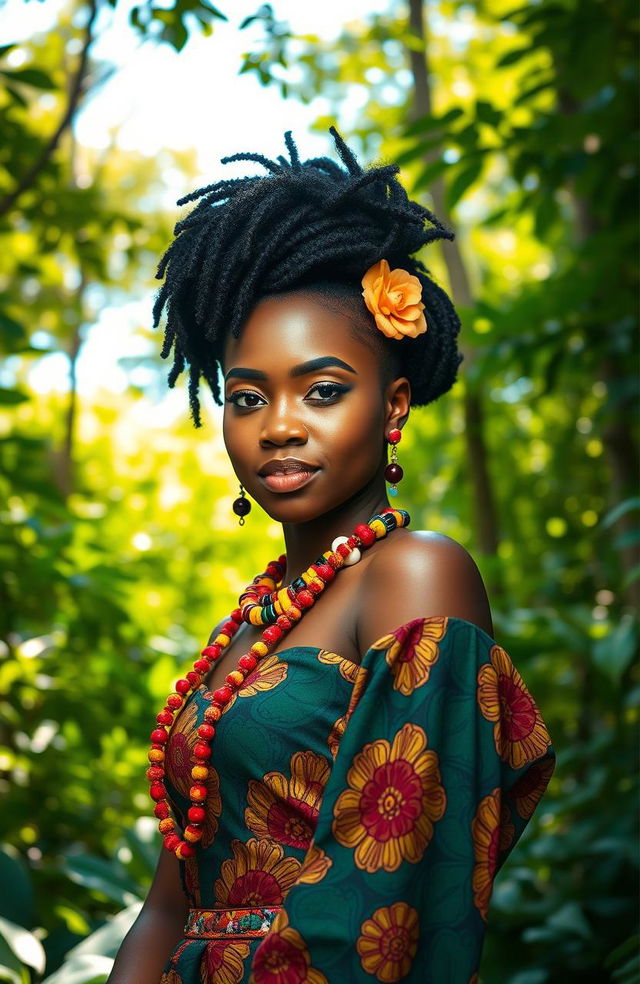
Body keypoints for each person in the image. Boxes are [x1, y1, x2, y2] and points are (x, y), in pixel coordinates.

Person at [108, 127, 555, 984]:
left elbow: (388, 912)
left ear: (391, 405)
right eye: (247, 396)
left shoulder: (416, 573)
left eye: (321, 390)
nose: (278, 424)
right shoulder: (256, 622)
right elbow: (170, 905)